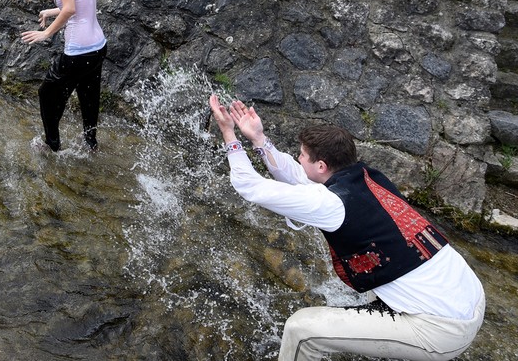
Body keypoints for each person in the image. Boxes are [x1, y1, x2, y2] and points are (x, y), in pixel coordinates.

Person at [207, 95, 485, 361]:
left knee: (300, 329)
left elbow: (249, 186)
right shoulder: (367, 178)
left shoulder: (331, 203)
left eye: (302, 155)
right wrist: (258, 139)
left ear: (321, 165)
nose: (298, 158)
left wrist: (228, 134)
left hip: (444, 330)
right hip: (470, 300)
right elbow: (299, 179)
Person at [14, 0, 107, 152]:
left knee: (47, 94)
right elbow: (82, 3)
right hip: (98, 47)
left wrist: (46, 33)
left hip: (79, 51)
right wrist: (51, 11)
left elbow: (71, 9)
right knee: (88, 96)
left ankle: (51, 144)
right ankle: (91, 144)